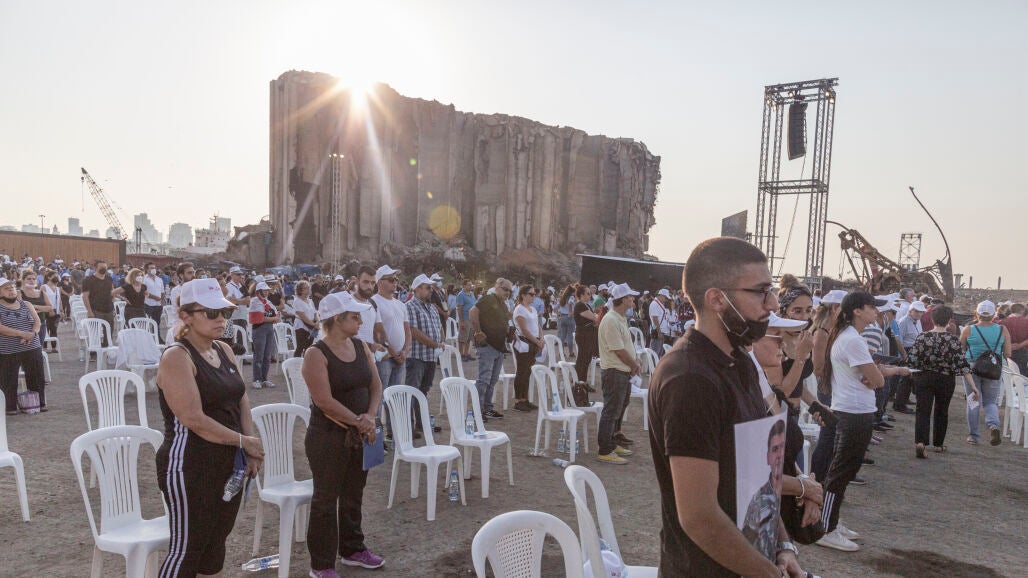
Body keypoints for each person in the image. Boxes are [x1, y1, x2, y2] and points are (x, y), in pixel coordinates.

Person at [647, 237, 807, 577]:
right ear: (717, 299)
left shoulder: (740, 361)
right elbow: (699, 517)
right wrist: (767, 573)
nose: (773, 304)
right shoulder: (690, 378)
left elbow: (761, 477)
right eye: (760, 292)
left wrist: (782, 545)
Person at [155, 278, 264, 576]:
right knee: (187, 550)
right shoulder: (177, 357)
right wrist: (245, 441)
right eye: (212, 313)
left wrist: (249, 444)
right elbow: (194, 419)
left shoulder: (223, 349)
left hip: (229, 461)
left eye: (225, 313)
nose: (221, 320)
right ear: (186, 316)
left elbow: (241, 399)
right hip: (190, 464)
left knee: (215, 545)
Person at [815, 292, 909, 552]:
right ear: (857, 310)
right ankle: (825, 527)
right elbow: (876, 380)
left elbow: (872, 375)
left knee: (843, 469)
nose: (876, 311)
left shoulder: (847, 336)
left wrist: (874, 373)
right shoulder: (852, 339)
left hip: (852, 409)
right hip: (853, 411)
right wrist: (875, 374)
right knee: (842, 470)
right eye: (871, 307)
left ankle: (831, 520)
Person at [303, 293, 385, 576]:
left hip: (360, 433)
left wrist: (370, 416)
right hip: (328, 437)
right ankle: (321, 564)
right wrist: (359, 422)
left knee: (353, 494)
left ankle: (352, 549)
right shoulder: (316, 353)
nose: (361, 321)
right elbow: (324, 400)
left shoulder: (360, 346)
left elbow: (376, 386)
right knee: (325, 500)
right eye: (355, 316)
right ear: (337, 319)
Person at [906, 305, 976, 456]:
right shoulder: (953, 340)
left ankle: (920, 442)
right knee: (942, 411)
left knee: (922, 410)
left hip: (924, 377)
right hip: (945, 379)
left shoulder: (922, 337)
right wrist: (973, 386)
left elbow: (912, 360)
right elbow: (963, 365)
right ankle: (938, 444)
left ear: (932, 319)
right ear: (949, 320)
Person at [597, 283, 641, 464]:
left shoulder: (619, 318)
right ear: (623, 300)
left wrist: (634, 362)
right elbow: (619, 350)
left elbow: (625, 347)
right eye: (630, 297)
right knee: (611, 410)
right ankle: (605, 450)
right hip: (614, 371)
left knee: (619, 408)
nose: (633, 300)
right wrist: (634, 365)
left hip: (622, 371)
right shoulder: (611, 320)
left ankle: (612, 443)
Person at [960, 300, 1011, 446]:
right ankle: (993, 426)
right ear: (994, 315)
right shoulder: (1002, 329)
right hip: (994, 369)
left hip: (972, 368)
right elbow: (1008, 353)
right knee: (990, 401)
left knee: (973, 401)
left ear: (977, 313)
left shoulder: (968, 329)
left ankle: (973, 436)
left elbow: (961, 349)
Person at [405, 274, 445, 434]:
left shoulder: (431, 307)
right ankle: (409, 427)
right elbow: (413, 331)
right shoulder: (410, 306)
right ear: (417, 289)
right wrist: (435, 344)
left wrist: (442, 341)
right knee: (412, 391)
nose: (431, 290)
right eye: (428, 288)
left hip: (430, 356)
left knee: (423, 390)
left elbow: (439, 327)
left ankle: (422, 423)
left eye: (431, 288)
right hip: (416, 356)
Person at [0, 278, 47, 414]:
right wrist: (22, 334)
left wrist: (32, 334)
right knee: (8, 379)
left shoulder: (26, 304)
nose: (11, 290)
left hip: (32, 346)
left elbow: (37, 322)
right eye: (6, 288)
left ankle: (39, 403)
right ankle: (10, 407)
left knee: (36, 376)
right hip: (8, 350)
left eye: (12, 287)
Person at [469, 278, 512, 420]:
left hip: (499, 346)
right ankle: (477, 411)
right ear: (497, 286)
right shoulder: (488, 299)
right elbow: (473, 312)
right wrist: (478, 331)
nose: (507, 292)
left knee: (492, 380)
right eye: (505, 289)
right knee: (484, 380)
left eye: (510, 291)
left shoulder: (503, 304)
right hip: (488, 345)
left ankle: (487, 408)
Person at [371, 265, 409, 389]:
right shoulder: (373, 302)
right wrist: (393, 353)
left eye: (396, 279)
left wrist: (405, 351)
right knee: (381, 393)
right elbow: (378, 332)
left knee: (395, 395)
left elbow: (407, 330)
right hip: (384, 357)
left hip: (400, 356)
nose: (395, 282)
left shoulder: (400, 304)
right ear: (380, 282)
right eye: (391, 280)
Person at [512, 284, 544, 412]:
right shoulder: (519, 309)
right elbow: (524, 330)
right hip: (524, 343)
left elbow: (538, 325)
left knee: (528, 372)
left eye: (534, 294)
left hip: (533, 343)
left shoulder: (533, 309)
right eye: (531, 294)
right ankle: (518, 400)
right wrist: (537, 341)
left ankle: (525, 399)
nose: (533, 296)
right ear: (523, 295)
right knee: (522, 372)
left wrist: (541, 339)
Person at [892, 300, 926, 414]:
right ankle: (899, 404)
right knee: (905, 379)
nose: (919, 314)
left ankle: (903, 400)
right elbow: (898, 339)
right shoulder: (904, 322)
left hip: (914, 351)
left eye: (921, 312)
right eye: (917, 311)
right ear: (911, 311)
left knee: (910, 378)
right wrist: (903, 354)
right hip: (907, 351)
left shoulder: (917, 321)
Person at [248, 281, 280, 389]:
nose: (266, 292)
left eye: (267, 290)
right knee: (259, 355)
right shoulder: (254, 301)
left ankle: (264, 378)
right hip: (259, 330)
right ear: (259, 291)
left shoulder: (267, 302)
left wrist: (271, 319)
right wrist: (272, 319)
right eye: (264, 290)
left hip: (269, 329)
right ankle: (257, 379)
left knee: (267, 355)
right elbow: (259, 318)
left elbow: (276, 316)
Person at [81, 259, 116, 344]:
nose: (104, 269)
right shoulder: (88, 280)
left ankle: (106, 348)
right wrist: (89, 311)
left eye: (105, 267)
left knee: (109, 332)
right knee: (94, 333)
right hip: (95, 311)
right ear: (95, 268)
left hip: (109, 310)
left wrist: (113, 300)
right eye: (101, 267)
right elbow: (85, 297)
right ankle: (94, 350)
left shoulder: (109, 278)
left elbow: (112, 290)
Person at [572, 285, 599, 387]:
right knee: (582, 359)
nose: (590, 295)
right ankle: (578, 383)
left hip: (588, 334)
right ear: (582, 295)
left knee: (586, 359)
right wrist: (595, 318)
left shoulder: (586, 305)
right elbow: (595, 318)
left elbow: (595, 319)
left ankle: (582, 382)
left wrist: (595, 319)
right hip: (583, 335)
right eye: (588, 293)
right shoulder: (580, 305)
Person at [999, 302, 1028, 377]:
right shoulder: (1026, 322)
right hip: (1023, 351)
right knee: (1022, 376)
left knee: (1009, 375)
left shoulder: (1002, 322)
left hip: (1006, 352)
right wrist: (1019, 345)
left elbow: (999, 338)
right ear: (1022, 310)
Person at [292, 280, 318, 357]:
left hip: (312, 326)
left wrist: (317, 322)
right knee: (300, 347)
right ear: (300, 290)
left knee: (308, 348)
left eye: (309, 287)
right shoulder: (297, 301)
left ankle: (306, 363)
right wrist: (314, 324)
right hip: (301, 327)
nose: (309, 289)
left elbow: (315, 313)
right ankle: (295, 363)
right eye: (306, 288)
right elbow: (302, 316)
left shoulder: (310, 300)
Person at [649, 288, 677, 358]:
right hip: (658, 332)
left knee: (659, 352)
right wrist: (659, 332)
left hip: (661, 331)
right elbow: (655, 319)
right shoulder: (655, 304)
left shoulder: (659, 304)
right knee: (655, 352)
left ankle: (656, 363)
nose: (666, 300)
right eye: (665, 298)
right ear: (661, 295)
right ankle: (653, 364)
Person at [455, 280, 477, 362]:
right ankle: (461, 355)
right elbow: (459, 308)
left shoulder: (471, 294)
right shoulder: (461, 295)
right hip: (465, 319)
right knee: (462, 338)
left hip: (472, 319)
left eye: (471, 285)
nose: (470, 286)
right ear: (463, 286)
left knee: (468, 338)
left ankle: (466, 353)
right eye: (468, 285)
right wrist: (461, 321)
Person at [40, 272, 62, 348]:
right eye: (54, 276)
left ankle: (53, 347)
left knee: (54, 330)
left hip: (56, 312)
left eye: (57, 276)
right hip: (47, 312)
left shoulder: (58, 288)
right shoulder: (44, 287)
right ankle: (45, 347)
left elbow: (60, 301)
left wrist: (61, 311)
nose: (56, 277)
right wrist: (49, 310)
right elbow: (42, 300)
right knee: (46, 330)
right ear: (49, 277)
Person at [556, 285, 576, 359]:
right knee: (570, 336)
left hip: (562, 317)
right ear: (572, 292)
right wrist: (570, 312)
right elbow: (570, 303)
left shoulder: (562, 298)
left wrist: (558, 314)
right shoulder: (571, 297)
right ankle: (571, 353)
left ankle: (561, 353)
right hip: (569, 317)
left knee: (562, 336)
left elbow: (555, 308)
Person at [143, 262, 166, 326]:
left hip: (158, 305)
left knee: (156, 324)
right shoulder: (144, 279)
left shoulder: (159, 279)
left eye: (154, 268)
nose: (154, 269)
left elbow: (162, 292)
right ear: (147, 269)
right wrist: (155, 297)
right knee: (146, 324)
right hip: (148, 305)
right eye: (151, 268)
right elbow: (144, 292)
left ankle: (156, 333)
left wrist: (162, 302)